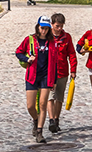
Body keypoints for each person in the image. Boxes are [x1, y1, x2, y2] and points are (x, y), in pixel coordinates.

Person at [16, 15, 58, 143]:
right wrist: (27, 59)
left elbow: (55, 62)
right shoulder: (30, 40)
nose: (44, 31)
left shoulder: (52, 43)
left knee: (43, 104)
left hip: (46, 76)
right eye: (42, 28)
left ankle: (39, 131)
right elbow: (18, 52)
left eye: (46, 28)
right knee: (30, 106)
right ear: (37, 27)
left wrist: (54, 80)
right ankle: (35, 120)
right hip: (32, 75)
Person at [47, 13, 78, 133]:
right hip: (49, 72)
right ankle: (50, 120)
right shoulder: (47, 36)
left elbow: (71, 54)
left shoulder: (67, 37)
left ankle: (56, 119)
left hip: (62, 72)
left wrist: (73, 70)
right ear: (52, 25)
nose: (59, 29)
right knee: (50, 97)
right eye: (57, 26)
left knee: (59, 97)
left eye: (61, 26)